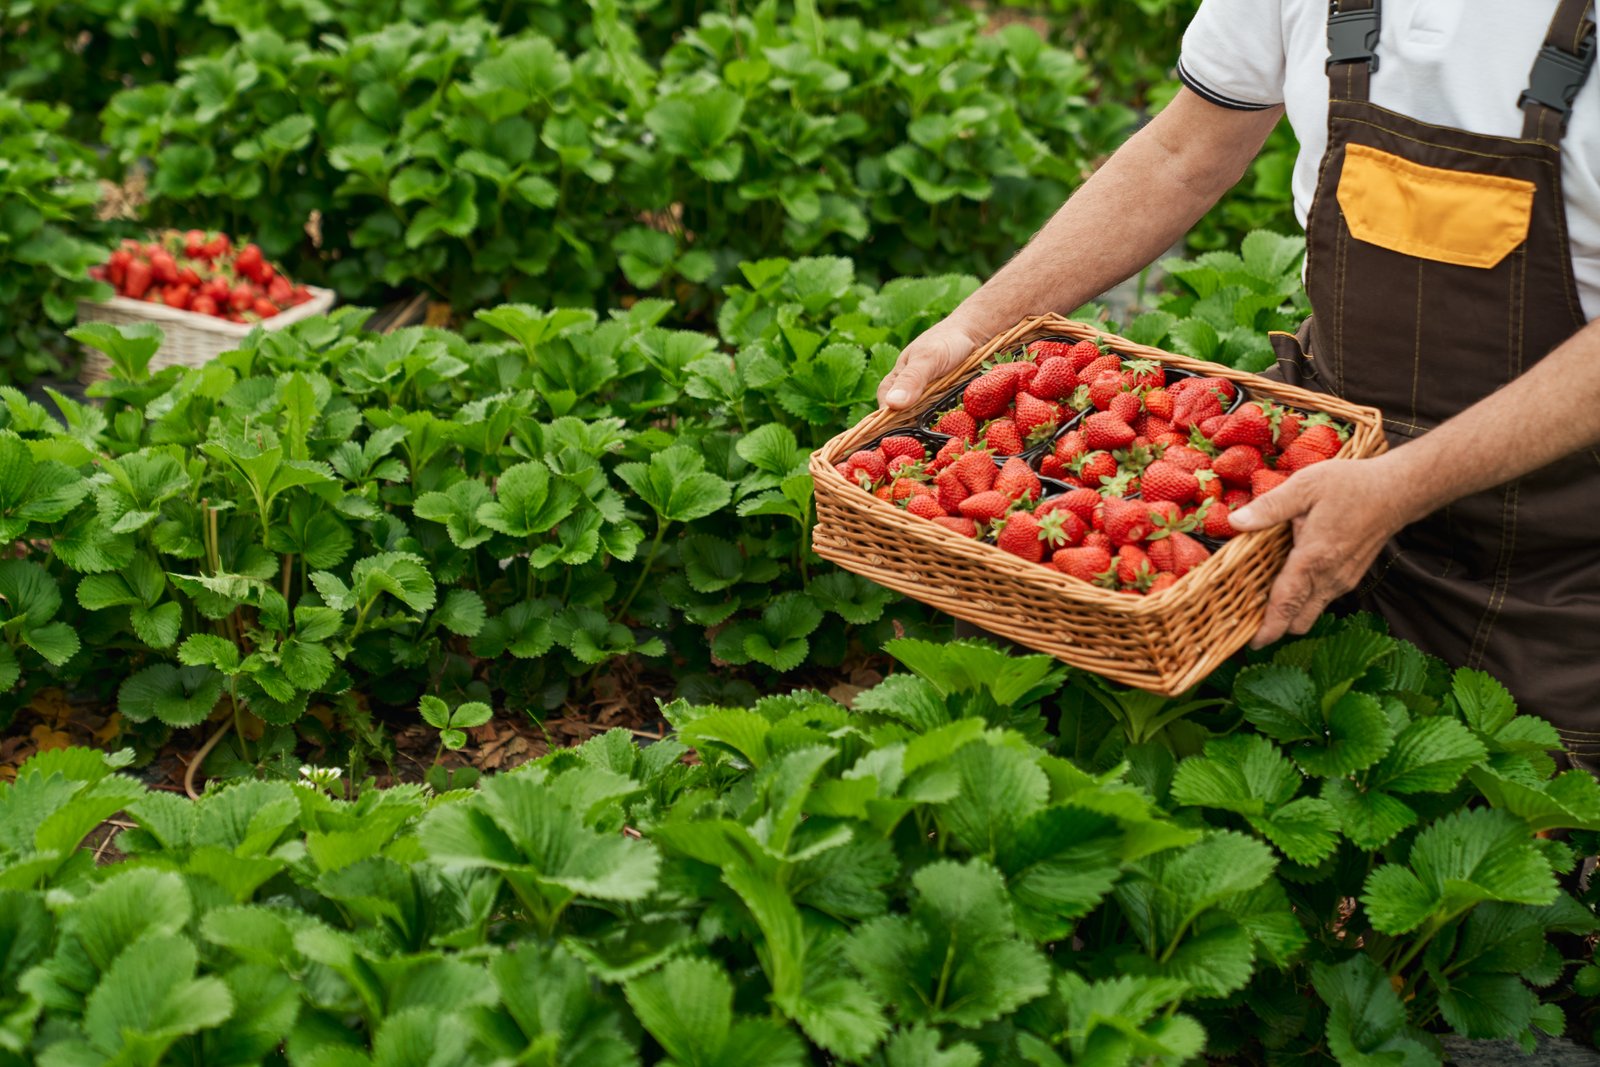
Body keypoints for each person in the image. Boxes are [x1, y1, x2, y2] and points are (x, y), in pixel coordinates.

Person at [876, 0, 1600, 770]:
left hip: (1563, 548)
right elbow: (1182, 155)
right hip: (1306, 489)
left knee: (1526, 816)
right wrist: (977, 323)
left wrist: (1404, 482)